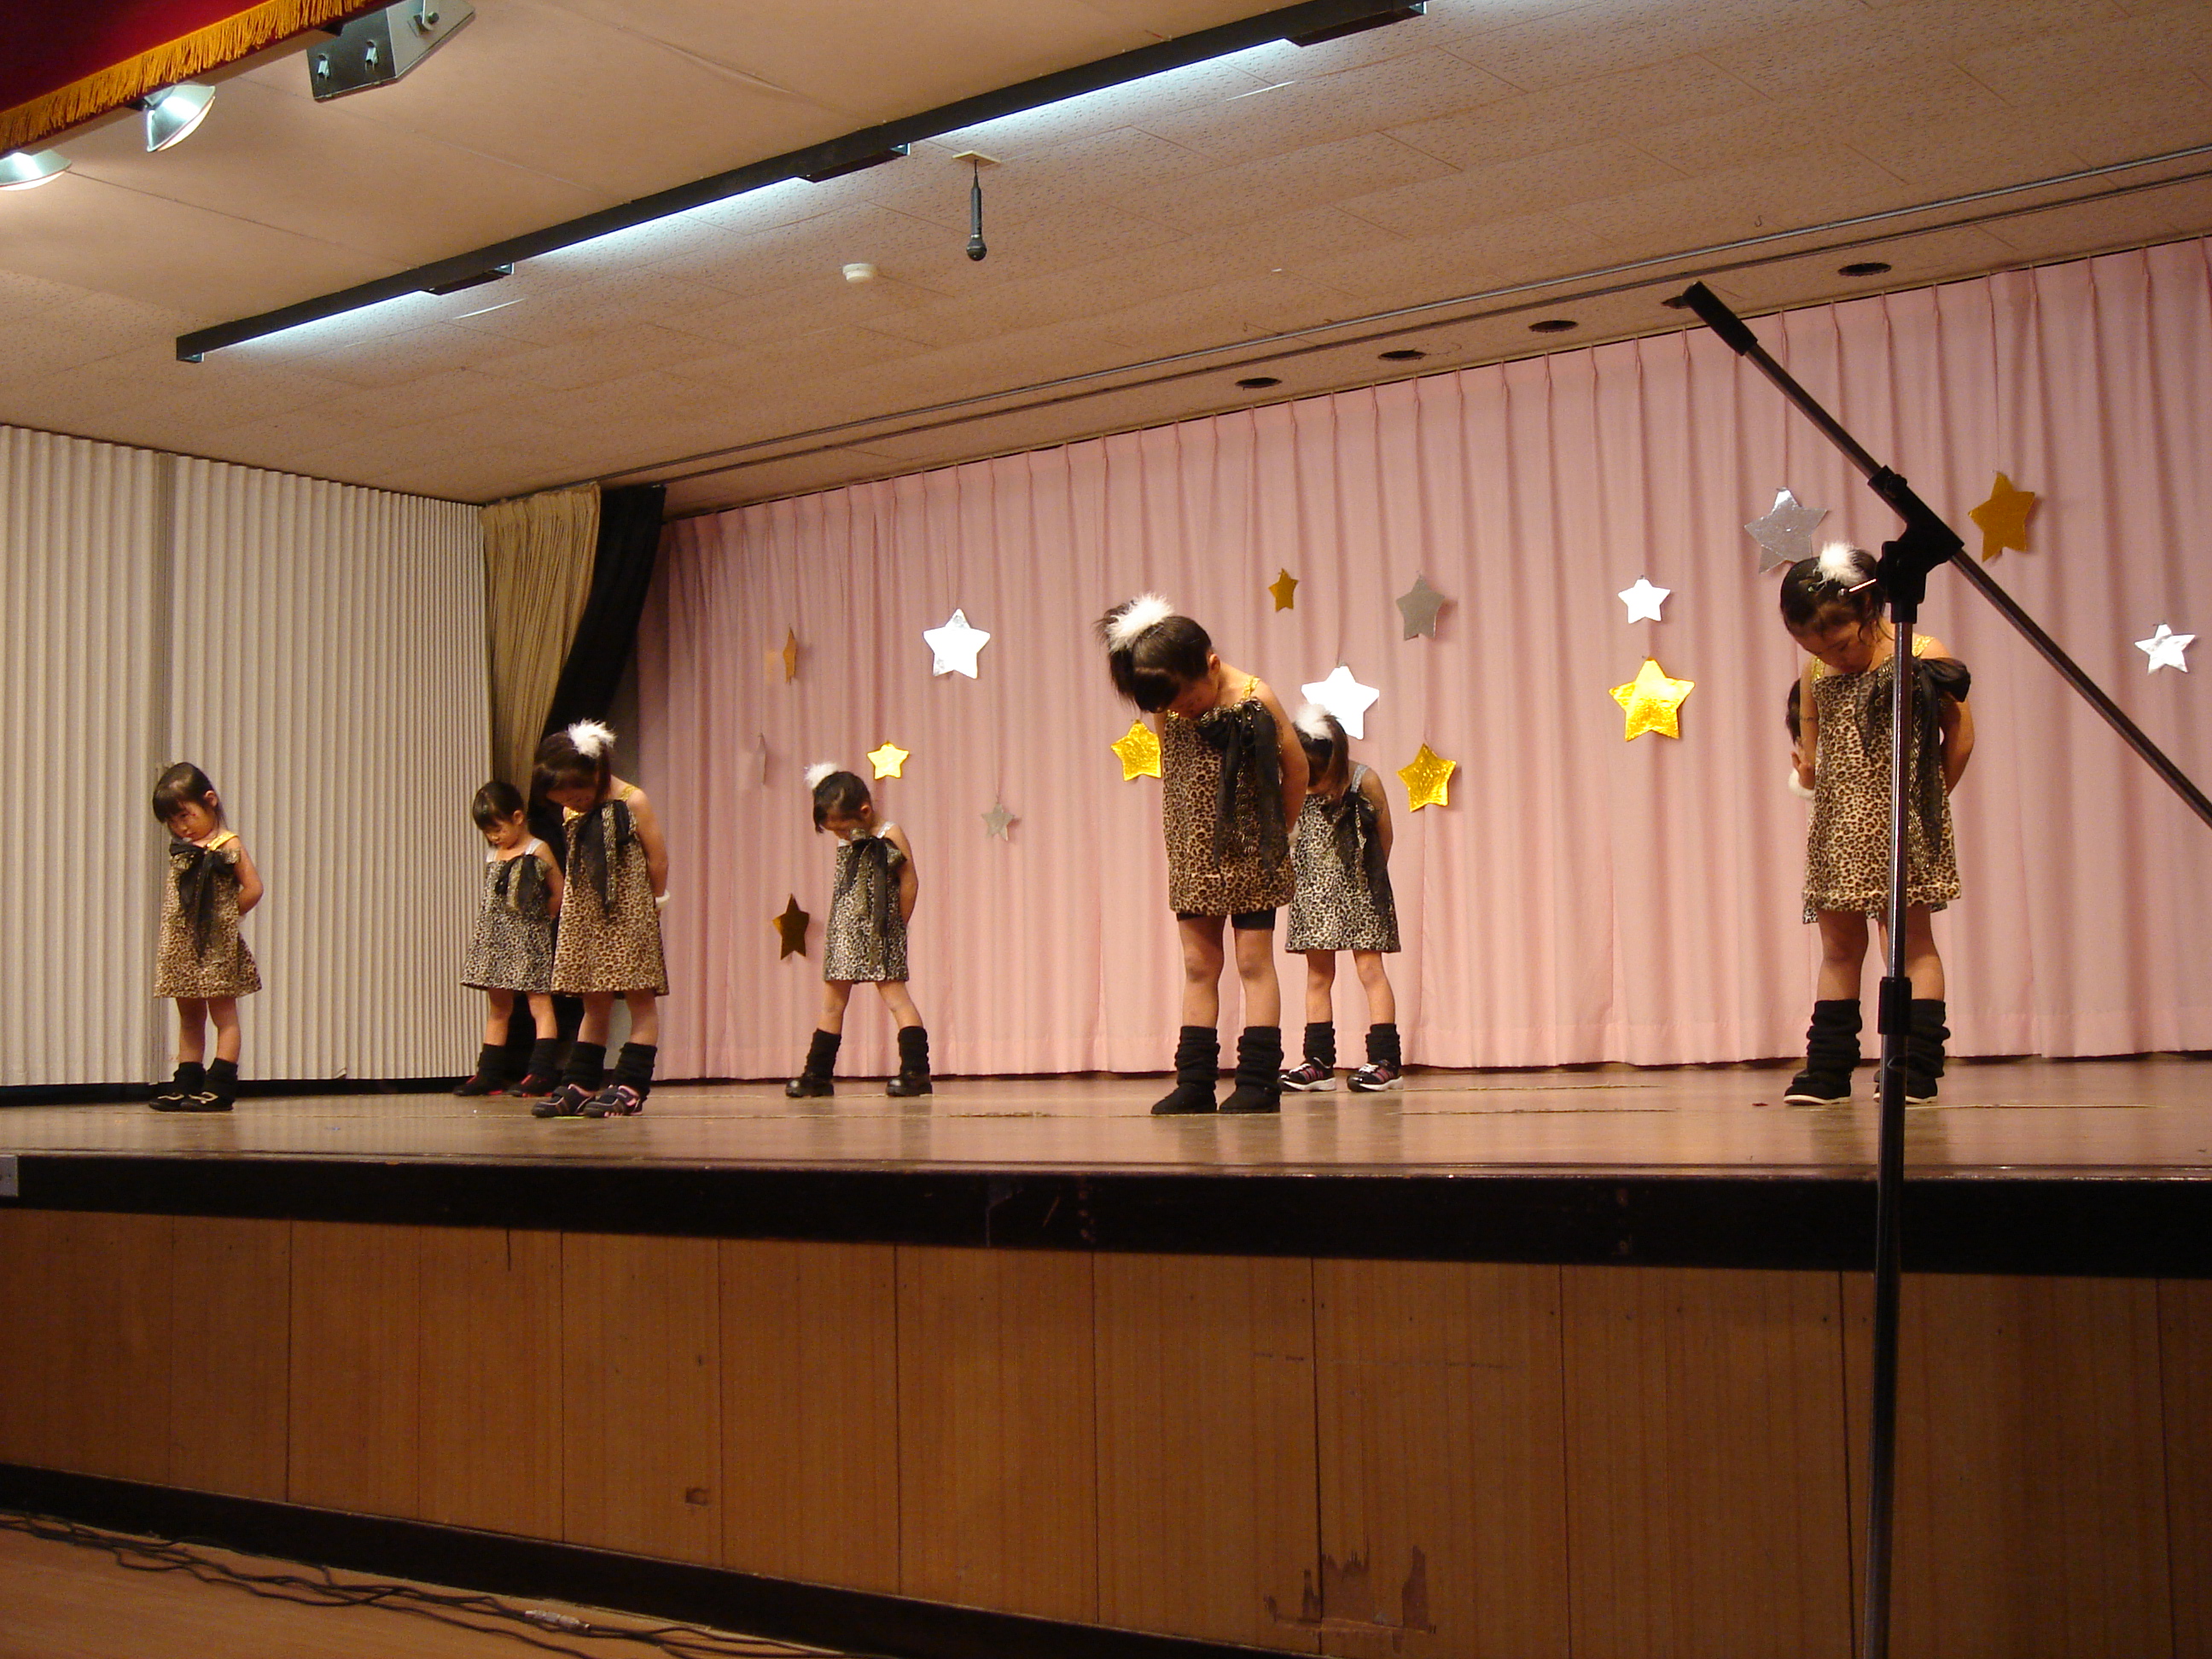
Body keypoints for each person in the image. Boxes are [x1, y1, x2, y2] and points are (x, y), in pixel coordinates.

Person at [1097, 594, 1306, 1114]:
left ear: (1211, 665)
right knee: (1198, 963)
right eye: (1172, 707)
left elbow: (1297, 768)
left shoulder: (1255, 696)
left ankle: (1258, 1081)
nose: (1182, 711)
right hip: (1194, 854)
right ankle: (1194, 1082)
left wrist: (1277, 832)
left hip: (1252, 852)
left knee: (1253, 961)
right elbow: (1178, 768)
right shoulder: (1167, 705)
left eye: (1188, 699)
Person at [1780, 544, 1974, 1104]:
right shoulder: (1818, 671)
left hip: (1901, 824)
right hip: (1838, 829)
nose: (1830, 657)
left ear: (1869, 611)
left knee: (1909, 945)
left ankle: (1912, 1066)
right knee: (1839, 948)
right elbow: (1813, 751)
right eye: (1815, 649)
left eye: (1840, 644)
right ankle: (1828, 1069)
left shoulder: (1920, 653)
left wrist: (1925, 804)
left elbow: (1959, 737)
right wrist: (1809, 770)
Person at [528, 721, 668, 1119]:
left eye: (576, 792)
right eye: (562, 796)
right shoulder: (572, 809)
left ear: (597, 770)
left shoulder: (632, 800)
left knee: (640, 999)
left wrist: (654, 903)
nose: (571, 801)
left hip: (629, 912)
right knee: (594, 1001)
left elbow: (658, 859)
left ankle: (631, 1085)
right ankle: (582, 1082)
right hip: (586, 917)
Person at [784, 765, 930, 1098]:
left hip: (881, 931)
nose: (839, 835)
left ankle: (916, 1072)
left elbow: (909, 881)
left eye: (842, 828)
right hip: (845, 932)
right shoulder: (846, 838)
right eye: (833, 830)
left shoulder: (890, 833)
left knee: (897, 999)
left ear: (864, 811)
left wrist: (898, 925)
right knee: (831, 1004)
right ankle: (817, 1075)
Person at [1278, 706, 1403, 1092]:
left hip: (1361, 889)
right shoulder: (1293, 784)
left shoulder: (1364, 780)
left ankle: (1385, 1061)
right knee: (1318, 975)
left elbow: (1384, 835)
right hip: (1313, 894)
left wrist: (1368, 879)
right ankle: (1319, 1063)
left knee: (1370, 970)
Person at [149, 763, 262, 1113]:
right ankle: (186, 1081)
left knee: (223, 1014)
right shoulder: (184, 848)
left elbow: (253, 887)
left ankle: (220, 1084)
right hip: (181, 945)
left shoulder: (228, 844)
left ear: (210, 801)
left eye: (185, 815)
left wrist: (225, 917)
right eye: (172, 821)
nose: (180, 827)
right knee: (189, 1015)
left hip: (215, 946)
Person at [457, 780, 563, 1097]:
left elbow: (558, 890)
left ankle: (542, 1072)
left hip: (529, 938)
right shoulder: (494, 853)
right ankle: (489, 1074)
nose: (493, 837)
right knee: (498, 1006)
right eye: (487, 832)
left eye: (497, 829)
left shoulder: (537, 849)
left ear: (518, 817)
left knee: (539, 1003)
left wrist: (543, 920)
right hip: (495, 939)